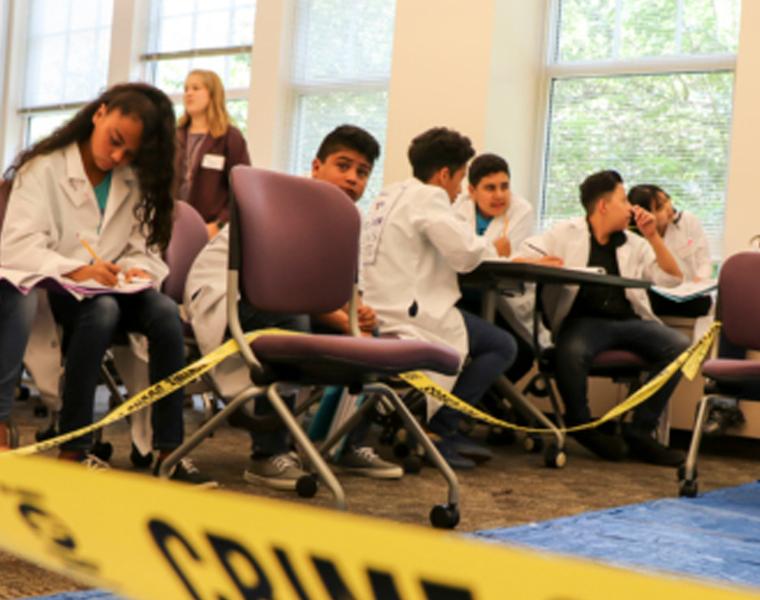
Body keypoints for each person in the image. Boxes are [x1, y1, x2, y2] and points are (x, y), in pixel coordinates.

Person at [0, 83, 212, 484]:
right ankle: (73, 446)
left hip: (112, 287)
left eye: (129, 153)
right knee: (102, 310)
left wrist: (133, 271)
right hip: (56, 288)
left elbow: (145, 249)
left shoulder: (132, 179)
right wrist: (77, 270)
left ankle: (170, 451)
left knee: (166, 313)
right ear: (99, 113)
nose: (117, 157)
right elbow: (16, 248)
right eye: (115, 142)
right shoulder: (43, 168)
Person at [185, 124, 401, 487]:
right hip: (230, 299)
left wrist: (358, 315)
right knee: (289, 320)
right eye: (343, 166)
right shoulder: (286, 203)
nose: (352, 179)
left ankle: (347, 445)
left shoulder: (346, 219)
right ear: (316, 166)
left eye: (362, 173)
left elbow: (346, 286)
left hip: (287, 304)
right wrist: (338, 317)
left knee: (370, 336)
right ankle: (268, 454)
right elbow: (280, 289)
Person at [360, 128, 520, 470]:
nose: (460, 190)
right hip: (412, 315)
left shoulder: (389, 194)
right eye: (461, 179)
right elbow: (463, 254)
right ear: (444, 174)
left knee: (484, 337)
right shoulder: (430, 197)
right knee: (502, 346)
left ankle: (432, 424)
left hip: (375, 310)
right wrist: (496, 249)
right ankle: (440, 429)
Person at [518, 170, 690, 466]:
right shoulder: (565, 233)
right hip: (584, 322)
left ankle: (640, 431)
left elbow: (673, 279)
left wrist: (652, 237)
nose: (631, 208)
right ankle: (583, 427)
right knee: (570, 352)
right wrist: (541, 261)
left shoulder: (634, 244)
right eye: (624, 200)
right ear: (603, 206)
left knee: (678, 345)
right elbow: (521, 256)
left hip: (628, 321)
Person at [454, 153, 541, 384]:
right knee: (490, 348)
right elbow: (463, 256)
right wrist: (492, 248)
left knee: (524, 354)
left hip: (501, 299)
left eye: (505, 186)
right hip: (458, 297)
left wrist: (480, 250)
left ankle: (480, 406)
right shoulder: (455, 208)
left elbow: (502, 259)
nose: (500, 195)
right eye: (490, 188)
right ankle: (467, 404)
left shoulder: (521, 210)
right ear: (471, 191)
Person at [174, 69, 250, 238]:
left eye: (196, 88)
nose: (189, 94)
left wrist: (219, 224)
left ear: (213, 94)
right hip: (174, 228)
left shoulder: (230, 138)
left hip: (211, 231)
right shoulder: (174, 136)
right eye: (186, 89)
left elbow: (242, 190)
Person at [628, 184, 713, 317]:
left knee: (704, 302)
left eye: (667, 199)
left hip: (694, 293)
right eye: (660, 207)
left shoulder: (687, 220)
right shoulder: (639, 242)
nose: (668, 207)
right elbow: (665, 281)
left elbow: (704, 259)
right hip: (662, 295)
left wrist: (700, 279)